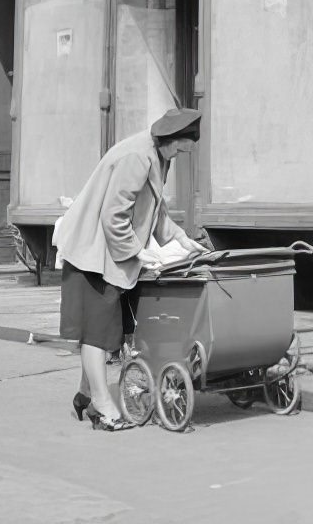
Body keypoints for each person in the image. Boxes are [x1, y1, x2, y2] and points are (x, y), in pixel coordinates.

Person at [53, 107, 206, 431]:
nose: (180, 155)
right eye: (181, 148)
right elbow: (114, 215)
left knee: (104, 328)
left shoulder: (156, 155)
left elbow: (154, 208)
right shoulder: (137, 157)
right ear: (170, 139)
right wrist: (138, 252)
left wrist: (179, 238)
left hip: (106, 250)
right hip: (92, 250)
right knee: (97, 331)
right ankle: (102, 408)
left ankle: (85, 395)